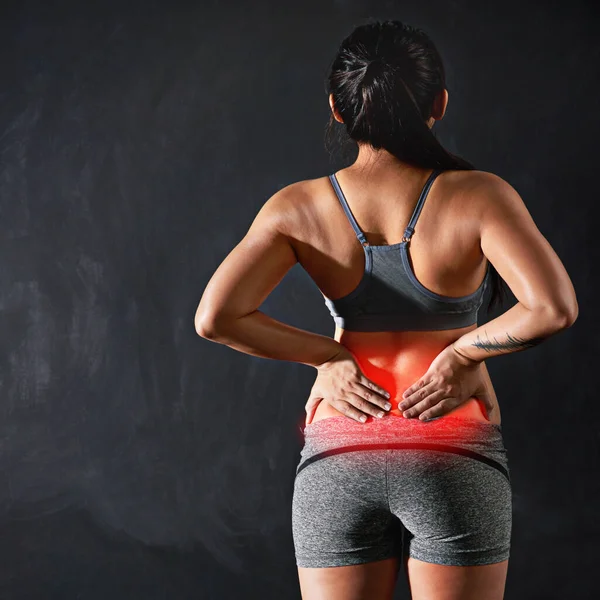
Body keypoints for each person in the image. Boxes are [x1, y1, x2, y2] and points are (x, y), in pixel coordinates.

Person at [194, 19, 578, 600]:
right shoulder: (479, 196)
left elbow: (215, 318)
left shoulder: (297, 207)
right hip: (449, 447)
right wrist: (462, 355)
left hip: (340, 452)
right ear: (439, 103)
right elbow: (553, 307)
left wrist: (326, 357)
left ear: (337, 109)